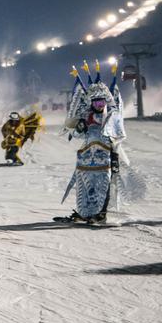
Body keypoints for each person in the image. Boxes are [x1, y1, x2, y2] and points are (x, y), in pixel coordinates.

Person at [59, 63, 126, 224]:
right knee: (83, 185)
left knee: (103, 185)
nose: (100, 106)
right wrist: (79, 129)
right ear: (91, 103)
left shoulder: (112, 116)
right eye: (96, 103)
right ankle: (85, 213)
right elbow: (75, 134)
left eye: (102, 102)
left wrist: (115, 158)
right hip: (86, 158)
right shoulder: (86, 116)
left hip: (105, 157)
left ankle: (101, 213)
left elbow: (118, 138)